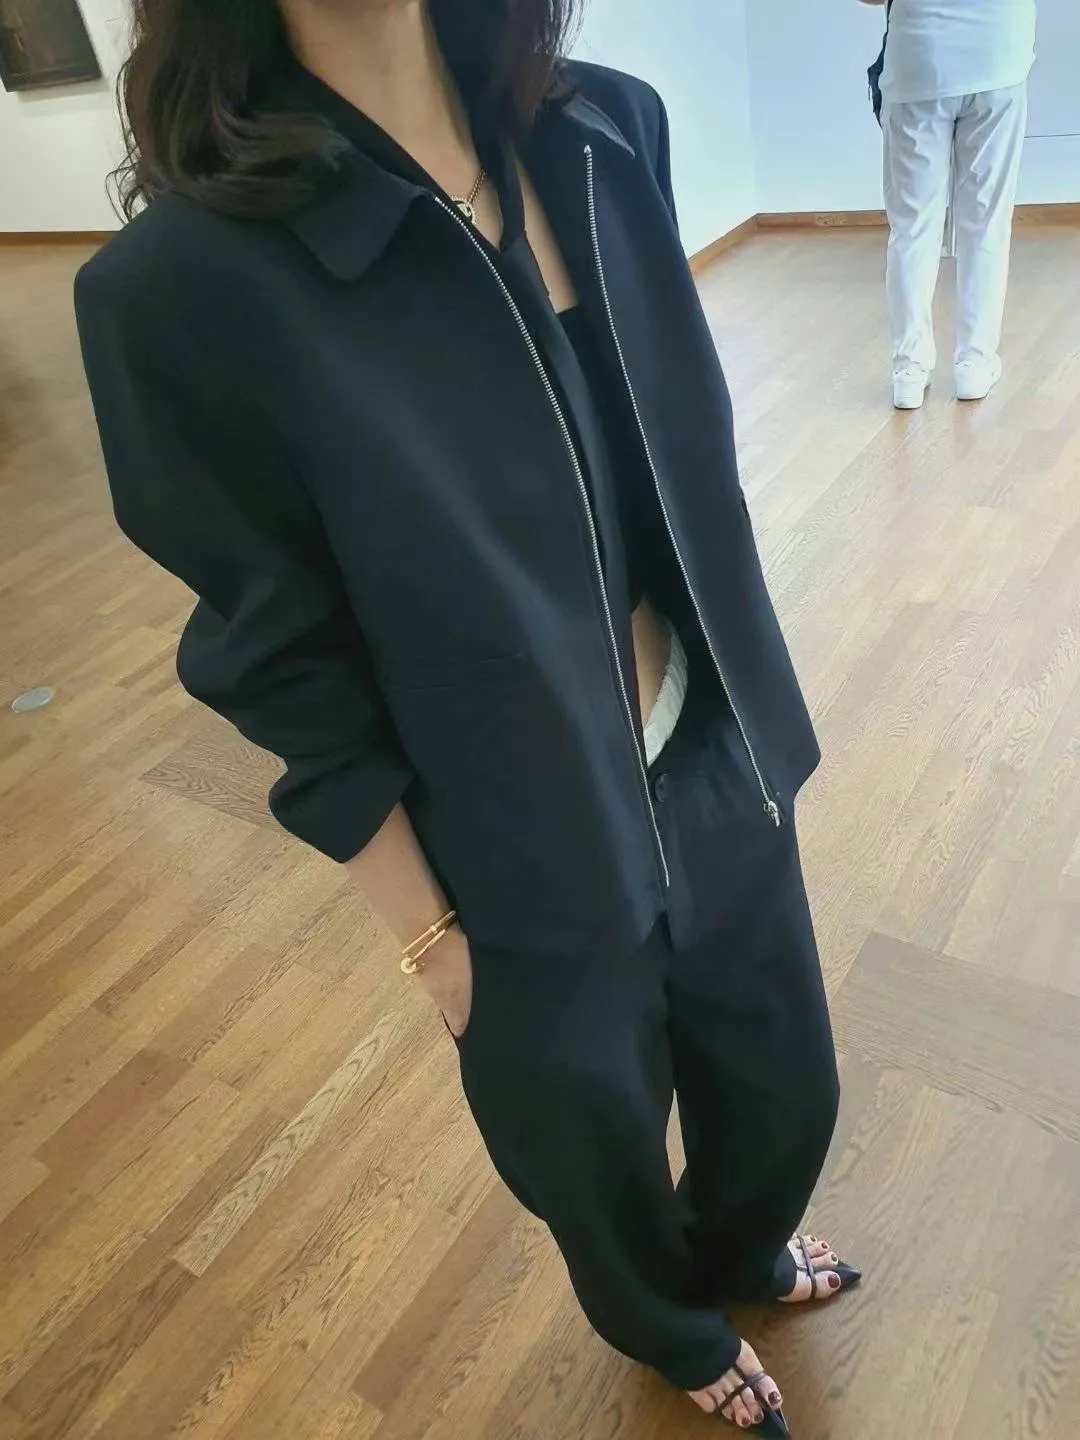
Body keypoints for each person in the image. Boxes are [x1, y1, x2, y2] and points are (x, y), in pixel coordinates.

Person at [76, 2, 857, 1432]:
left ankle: (745, 1250)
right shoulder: (178, 290)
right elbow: (279, 657)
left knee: (787, 1088)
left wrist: (749, 740)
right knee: (590, 1158)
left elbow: (672, 463)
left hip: (710, 740)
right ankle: (671, 1329)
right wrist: (427, 933)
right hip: (508, 847)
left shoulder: (605, 130)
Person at [861, 0, 1037, 409]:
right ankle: (974, 363)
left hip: (919, 59)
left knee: (912, 227)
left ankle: (909, 369)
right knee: (986, 221)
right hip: (998, 54)